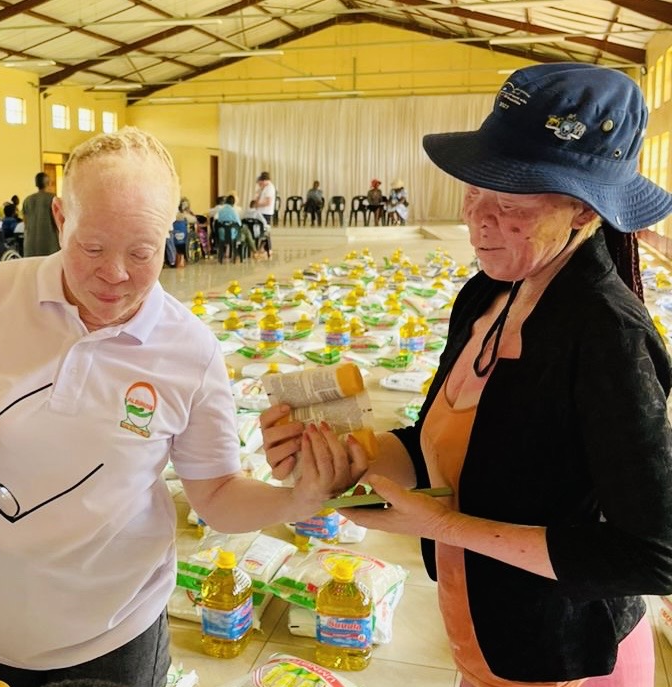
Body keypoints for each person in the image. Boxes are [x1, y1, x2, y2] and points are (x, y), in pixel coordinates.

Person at [0, 127, 354, 687]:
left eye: (141, 253)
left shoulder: (189, 351)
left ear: (170, 234)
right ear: (61, 218)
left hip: (111, 643)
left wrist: (298, 497)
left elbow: (215, 495)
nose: (114, 275)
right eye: (92, 248)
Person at [263, 63, 672, 687]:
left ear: (582, 213)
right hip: (484, 632)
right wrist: (339, 454)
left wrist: (441, 525)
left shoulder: (606, 335)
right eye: (474, 191)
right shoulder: (487, 293)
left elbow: (654, 553)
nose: (478, 219)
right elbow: (438, 447)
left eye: (508, 204)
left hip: (561, 658)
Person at [22, 171, 59, 257]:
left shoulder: (27, 200)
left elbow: (25, 223)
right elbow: (58, 223)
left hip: (30, 246)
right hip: (49, 245)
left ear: (36, 184)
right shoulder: (53, 199)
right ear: (48, 183)